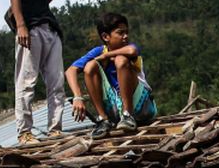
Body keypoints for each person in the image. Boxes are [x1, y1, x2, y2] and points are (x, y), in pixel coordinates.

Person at [7, 0, 73, 144]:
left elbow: (43, 1)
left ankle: (55, 129)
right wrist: (21, 25)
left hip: (50, 28)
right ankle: (25, 132)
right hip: (31, 28)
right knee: (26, 81)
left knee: (56, 82)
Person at [66, 12, 157, 140]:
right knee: (90, 66)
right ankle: (103, 119)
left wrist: (105, 56)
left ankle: (127, 114)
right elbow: (70, 71)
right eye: (120, 33)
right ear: (105, 36)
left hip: (140, 106)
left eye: (126, 32)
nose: (125, 36)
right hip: (114, 108)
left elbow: (132, 51)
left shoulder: (130, 48)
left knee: (120, 60)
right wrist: (77, 97)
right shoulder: (99, 51)